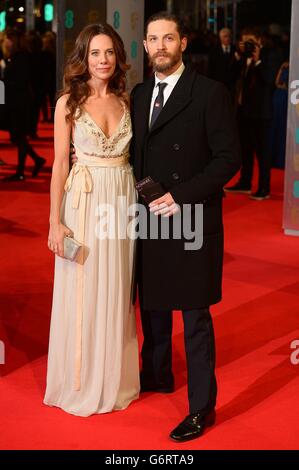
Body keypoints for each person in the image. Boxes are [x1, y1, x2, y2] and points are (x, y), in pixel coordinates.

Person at [130, 12, 240, 442]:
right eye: (153, 39)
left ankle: (201, 408)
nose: (160, 46)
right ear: (144, 45)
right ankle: (156, 375)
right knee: (153, 304)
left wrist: (181, 196)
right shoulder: (139, 94)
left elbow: (228, 160)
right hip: (148, 215)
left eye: (168, 38)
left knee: (194, 316)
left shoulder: (210, 94)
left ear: (183, 43)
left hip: (191, 215)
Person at [44, 23, 140, 417]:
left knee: (117, 286)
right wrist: (54, 220)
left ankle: (114, 376)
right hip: (82, 203)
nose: (103, 60)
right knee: (83, 288)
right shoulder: (68, 102)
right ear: (83, 58)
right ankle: (81, 379)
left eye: (109, 53)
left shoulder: (126, 100)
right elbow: (59, 164)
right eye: (95, 53)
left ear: (118, 57)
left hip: (121, 200)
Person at [225, 28, 279, 200]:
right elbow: (229, 77)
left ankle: (264, 188)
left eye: (250, 42)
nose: (247, 45)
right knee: (245, 150)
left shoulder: (269, 55)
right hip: (243, 111)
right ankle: (245, 182)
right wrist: (237, 55)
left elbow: (270, 80)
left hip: (261, 113)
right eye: (244, 41)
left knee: (263, 153)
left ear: (259, 40)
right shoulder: (242, 57)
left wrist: (257, 61)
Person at [0, 29, 46, 182]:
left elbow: (19, 83)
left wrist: (4, 82)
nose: (6, 42)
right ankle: (36, 160)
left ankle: (21, 171)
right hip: (15, 102)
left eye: (8, 39)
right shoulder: (16, 57)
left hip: (18, 103)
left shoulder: (21, 58)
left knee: (18, 136)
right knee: (18, 137)